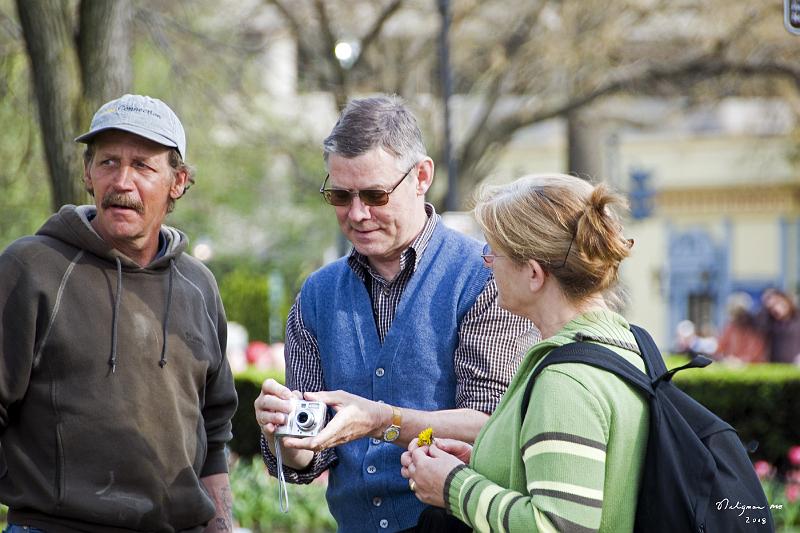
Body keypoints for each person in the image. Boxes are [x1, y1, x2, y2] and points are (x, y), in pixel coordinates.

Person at [253, 95, 535, 532]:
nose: (357, 213)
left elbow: (492, 424)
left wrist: (380, 421)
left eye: (374, 194)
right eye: (340, 195)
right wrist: (288, 434)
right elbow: (308, 456)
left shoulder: (486, 277)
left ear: (421, 176)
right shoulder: (316, 295)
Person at [0, 94, 238, 532]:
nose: (122, 182)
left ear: (178, 181)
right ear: (88, 174)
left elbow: (215, 429)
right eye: (108, 162)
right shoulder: (29, 269)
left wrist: (221, 525)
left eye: (143, 166)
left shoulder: (198, 286)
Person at [401, 173, 649, 532]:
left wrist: (453, 485)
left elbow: (560, 526)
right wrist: (487, 463)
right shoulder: (621, 345)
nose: (487, 264)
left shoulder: (566, 381)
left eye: (493, 253)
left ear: (534, 273)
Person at [715, 292, 767, 363]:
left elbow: (756, 350)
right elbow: (720, 347)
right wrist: (726, 358)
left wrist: (742, 360)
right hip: (731, 366)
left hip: (749, 367)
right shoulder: (729, 326)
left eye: (740, 312)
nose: (738, 316)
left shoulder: (754, 328)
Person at [757, 287, 800, 364]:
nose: (776, 308)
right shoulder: (771, 323)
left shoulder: (797, 318)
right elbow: (758, 326)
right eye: (771, 307)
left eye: (778, 303)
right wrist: (765, 305)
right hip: (777, 366)